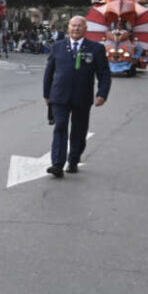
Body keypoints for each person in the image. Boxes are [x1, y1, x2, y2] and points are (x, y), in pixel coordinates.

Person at [43, 15, 111, 177]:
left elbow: (104, 74)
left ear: (85, 28)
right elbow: (49, 72)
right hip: (59, 95)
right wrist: (46, 94)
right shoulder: (58, 47)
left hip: (82, 96)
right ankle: (57, 164)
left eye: (80, 26)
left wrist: (102, 94)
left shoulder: (96, 49)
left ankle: (73, 160)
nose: (76, 28)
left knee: (79, 130)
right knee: (60, 127)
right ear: (68, 28)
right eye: (73, 25)